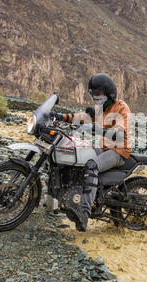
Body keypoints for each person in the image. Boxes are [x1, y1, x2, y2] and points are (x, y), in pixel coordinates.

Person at [49, 73, 132, 232]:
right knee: (80, 154)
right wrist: (60, 116)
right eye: (93, 95)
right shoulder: (102, 108)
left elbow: (119, 134)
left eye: (98, 95)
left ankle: (84, 213)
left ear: (109, 93)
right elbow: (83, 117)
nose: (96, 98)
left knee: (91, 166)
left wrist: (95, 129)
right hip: (104, 147)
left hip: (118, 151)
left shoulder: (122, 108)